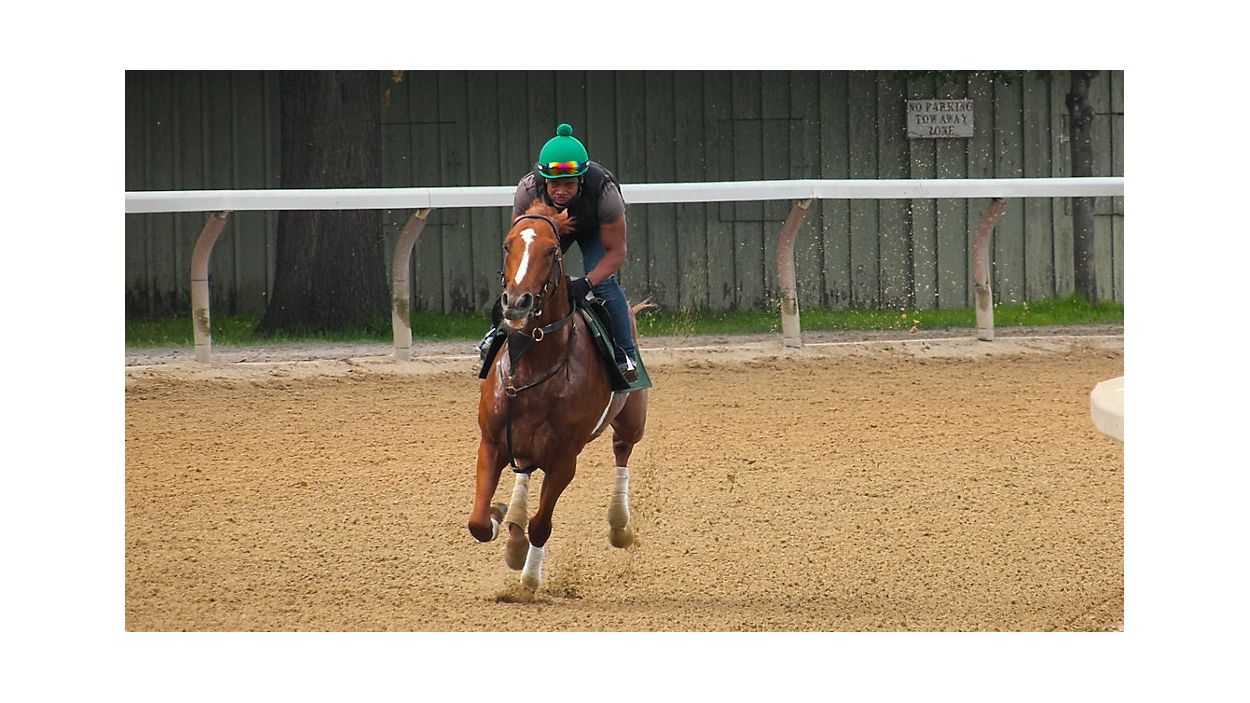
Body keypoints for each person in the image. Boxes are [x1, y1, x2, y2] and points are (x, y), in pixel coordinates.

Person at [481, 122, 639, 383]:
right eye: (554, 184)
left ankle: (625, 355)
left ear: (582, 180)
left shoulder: (605, 191)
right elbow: (518, 246)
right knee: (523, 280)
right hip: (547, 227)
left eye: (569, 184)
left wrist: (586, 283)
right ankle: (494, 335)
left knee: (603, 285)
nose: (561, 191)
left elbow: (617, 253)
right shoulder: (528, 190)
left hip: (593, 230)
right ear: (544, 180)